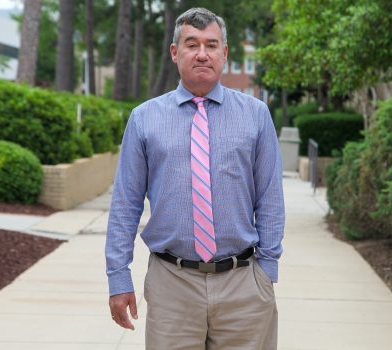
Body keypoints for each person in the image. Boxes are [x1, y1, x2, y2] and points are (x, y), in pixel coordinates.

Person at [106, 7, 285, 349]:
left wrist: (267, 272)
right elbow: (125, 204)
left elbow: (271, 198)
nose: (202, 54)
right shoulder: (144, 119)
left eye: (211, 45)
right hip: (171, 282)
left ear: (225, 53)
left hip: (243, 284)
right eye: (192, 44)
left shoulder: (256, 116)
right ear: (175, 52)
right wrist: (118, 277)